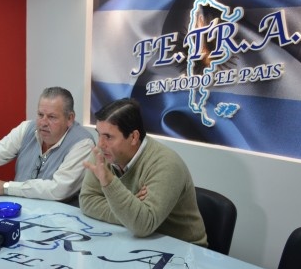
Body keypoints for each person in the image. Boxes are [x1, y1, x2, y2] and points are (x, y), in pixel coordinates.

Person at [80, 98, 207, 246]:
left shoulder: (166, 163)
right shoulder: (104, 154)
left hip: (184, 249)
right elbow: (87, 201)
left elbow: (143, 225)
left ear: (134, 137)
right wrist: (130, 209)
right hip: (136, 241)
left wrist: (109, 182)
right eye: (99, 134)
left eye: (108, 137)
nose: (100, 144)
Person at [0, 86, 95, 202]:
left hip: (60, 221)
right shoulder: (27, 128)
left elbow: (58, 189)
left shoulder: (82, 143)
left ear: (70, 118)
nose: (43, 122)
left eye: (52, 117)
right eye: (40, 114)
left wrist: (7, 187)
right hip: (21, 210)